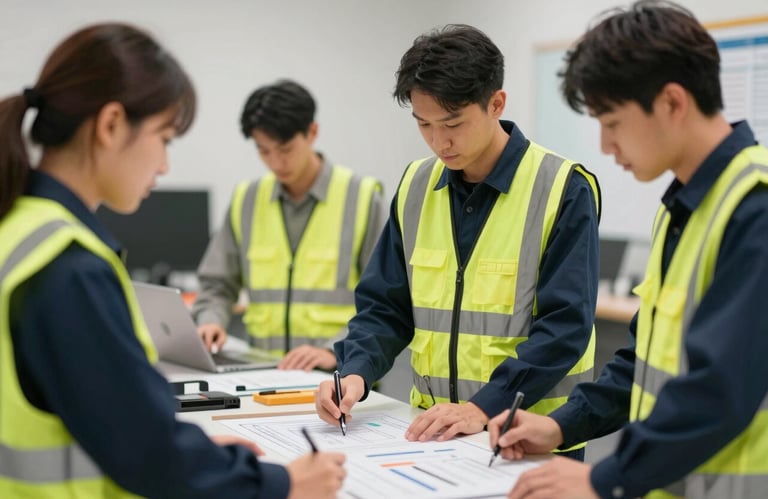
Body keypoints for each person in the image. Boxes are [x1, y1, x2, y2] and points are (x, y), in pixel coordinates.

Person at [0, 23, 344, 498]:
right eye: (165, 138)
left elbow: (110, 425)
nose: (164, 165)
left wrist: (190, 450)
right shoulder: (69, 268)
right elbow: (151, 455)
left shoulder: (17, 230)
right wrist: (283, 482)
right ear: (111, 124)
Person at [488, 2, 768, 498]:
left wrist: (604, 478)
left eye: (612, 122)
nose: (606, 144)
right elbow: (643, 360)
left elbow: (719, 391)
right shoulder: (685, 205)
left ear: (672, 103)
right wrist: (561, 425)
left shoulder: (755, 208)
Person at [315, 23, 602, 459]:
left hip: (528, 439)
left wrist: (482, 407)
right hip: (433, 436)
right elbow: (384, 307)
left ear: (496, 103)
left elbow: (564, 328)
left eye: (453, 123)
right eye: (424, 124)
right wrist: (354, 373)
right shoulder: (414, 186)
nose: (439, 141)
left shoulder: (562, 187)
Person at [192, 79, 384, 371]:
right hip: (262, 376)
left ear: (312, 132)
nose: (276, 162)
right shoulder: (247, 199)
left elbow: (384, 302)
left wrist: (338, 350)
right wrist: (210, 321)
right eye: (263, 150)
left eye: (285, 148)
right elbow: (217, 284)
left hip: (339, 378)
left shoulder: (363, 199)